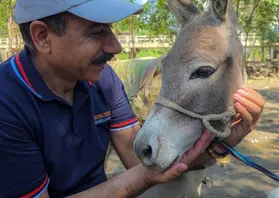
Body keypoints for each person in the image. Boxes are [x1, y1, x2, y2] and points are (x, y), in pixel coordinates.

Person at [0, 0, 265, 197]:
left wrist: (217, 146)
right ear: (43, 37)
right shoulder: (6, 102)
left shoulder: (101, 80)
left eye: (111, 30)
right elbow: (142, 174)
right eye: (96, 32)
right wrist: (145, 176)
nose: (116, 47)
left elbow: (142, 163)